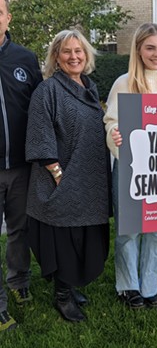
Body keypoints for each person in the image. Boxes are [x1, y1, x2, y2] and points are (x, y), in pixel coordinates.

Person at [25, 30, 111, 323]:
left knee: (84, 237)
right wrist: (59, 176)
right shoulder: (47, 90)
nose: (74, 56)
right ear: (56, 58)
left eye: (79, 51)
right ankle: (63, 295)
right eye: (66, 52)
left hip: (91, 180)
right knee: (64, 239)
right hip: (61, 179)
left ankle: (72, 287)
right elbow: (40, 136)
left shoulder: (90, 87)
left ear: (86, 55)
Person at [104, 23, 157, 309]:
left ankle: (150, 285)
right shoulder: (123, 83)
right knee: (129, 230)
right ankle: (128, 286)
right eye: (150, 47)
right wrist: (114, 135)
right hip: (129, 168)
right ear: (139, 50)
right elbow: (111, 121)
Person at [0, 0, 43, 332]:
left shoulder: (25, 59)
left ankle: (18, 282)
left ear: (8, 17)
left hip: (20, 165)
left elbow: (40, 110)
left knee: (19, 230)